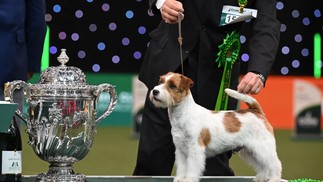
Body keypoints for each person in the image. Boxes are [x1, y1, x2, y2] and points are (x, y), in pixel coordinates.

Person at [133, 0, 280, 176]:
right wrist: (162, 2)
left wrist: (259, 70)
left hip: (218, 74)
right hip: (171, 62)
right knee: (152, 159)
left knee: (214, 168)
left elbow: (267, 21)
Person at [0, 0, 47, 127]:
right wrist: (31, 64)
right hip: (11, 62)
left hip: (10, 67)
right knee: (8, 139)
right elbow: (37, 20)